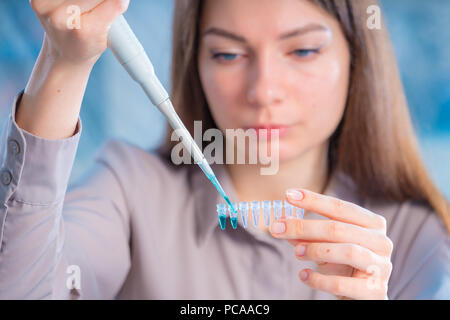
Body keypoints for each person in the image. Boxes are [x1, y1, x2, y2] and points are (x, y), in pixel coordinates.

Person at [0, 0, 448, 300]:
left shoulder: (415, 240)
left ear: (357, 55)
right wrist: (65, 61)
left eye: (304, 50)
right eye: (228, 55)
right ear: (195, 64)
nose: (264, 90)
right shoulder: (129, 189)